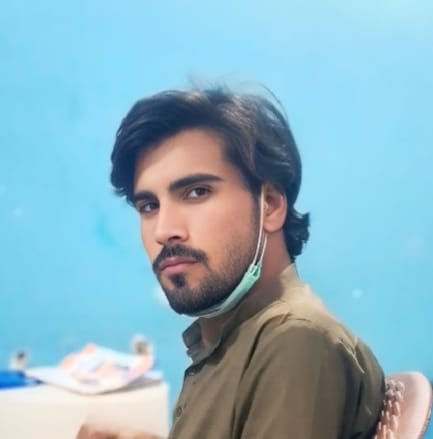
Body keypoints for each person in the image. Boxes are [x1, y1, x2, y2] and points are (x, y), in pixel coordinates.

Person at [77, 85, 385, 439]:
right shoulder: (230, 336)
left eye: (197, 192)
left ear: (270, 205)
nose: (164, 230)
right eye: (149, 206)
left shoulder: (294, 342)